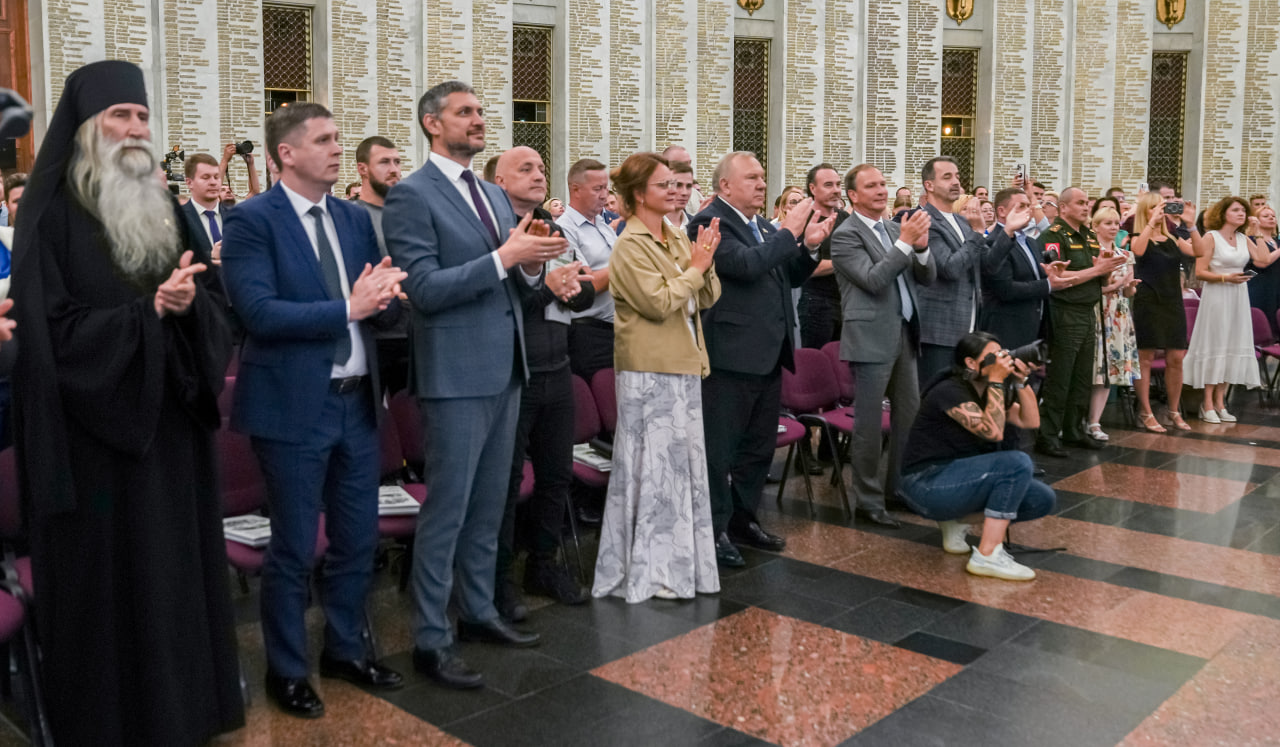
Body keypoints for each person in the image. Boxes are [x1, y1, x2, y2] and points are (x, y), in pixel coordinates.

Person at [11, 59, 243, 744]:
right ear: (86, 128)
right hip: (97, 449)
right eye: (121, 116)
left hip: (171, 430)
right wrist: (146, 314)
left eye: (142, 116)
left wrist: (187, 305)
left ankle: (187, 712)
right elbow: (48, 337)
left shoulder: (165, 204)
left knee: (175, 581)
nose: (136, 128)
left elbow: (214, 303)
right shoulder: (50, 214)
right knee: (113, 595)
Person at [222, 102, 408, 718]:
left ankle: (346, 650)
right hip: (292, 411)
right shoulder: (251, 220)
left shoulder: (355, 218)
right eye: (324, 140)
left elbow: (372, 302)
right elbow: (258, 313)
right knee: (295, 547)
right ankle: (288, 668)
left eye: (338, 139)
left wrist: (384, 300)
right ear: (286, 154)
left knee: (358, 541)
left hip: (358, 405)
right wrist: (348, 309)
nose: (336, 149)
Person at [384, 80, 568, 689]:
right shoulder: (412, 195)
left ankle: (479, 612)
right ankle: (431, 639)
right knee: (450, 510)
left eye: (481, 111)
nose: (479, 120)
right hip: (456, 372)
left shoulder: (491, 192)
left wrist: (538, 265)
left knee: (491, 506)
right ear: (433, 124)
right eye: (465, 113)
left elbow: (515, 285)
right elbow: (426, 290)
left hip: (507, 365)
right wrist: (505, 259)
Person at [593, 152, 722, 601]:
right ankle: (651, 571)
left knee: (681, 472)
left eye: (676, 183)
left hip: (683, 360)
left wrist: (704, 264)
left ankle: (683, 567)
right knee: (653, 474)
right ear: (637, 194)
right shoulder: (629, 244)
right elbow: (658, 303)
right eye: (664, 184)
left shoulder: (673, 232)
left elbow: (705, 297)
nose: (674, 191)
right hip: (648, 369)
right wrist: (696, 269)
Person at [689, 151, 827, 568]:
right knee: (720, 450)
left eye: (763, 177)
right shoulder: (709, 222)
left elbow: (785, 274)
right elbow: (746, 267)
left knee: (757, 448)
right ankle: (712, 531)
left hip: (768, 353)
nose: (761, 184)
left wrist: (809, 247)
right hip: (731, 355)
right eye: (751, 177)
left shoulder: (761, 225)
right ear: (725, 185)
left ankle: (743, 520)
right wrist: (789, 233)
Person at [491, 146, 593, 619]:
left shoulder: (552, 229)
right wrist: (547, 291)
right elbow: (499, 306)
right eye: (525, 169)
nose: (538, 175)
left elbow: (567, 295)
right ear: (497, 180)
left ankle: (544, 563)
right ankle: (498, 579)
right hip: (514, 370)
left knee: (555, 476)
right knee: (507, 482)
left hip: (558, 364)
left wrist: (573, 287)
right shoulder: (494, 233)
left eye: (541, 168)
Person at [898, 332, 1055, 581]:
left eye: (1002, 354)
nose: (1001, 361)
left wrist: (1021, 381)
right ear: (971, 363)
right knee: (1016, 464)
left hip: (958, 478)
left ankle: (956, 522)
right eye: (992, 357)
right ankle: (987, 555)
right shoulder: (949, 390)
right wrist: (996, 380)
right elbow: (992, 432)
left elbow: (1030, 420)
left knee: (1041, 498)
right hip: (924, 483)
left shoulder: (989, 390)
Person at [829, 164, 936, 528]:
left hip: (904, 333)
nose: (880, 190)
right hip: (871, 336)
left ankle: (899, 489)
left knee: (909, 417)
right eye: (870, 185)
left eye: (882, 183)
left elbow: (927, 276)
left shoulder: (894, 228)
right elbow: (874, 280)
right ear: (853, 195)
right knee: (870, 424)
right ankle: (868, 500)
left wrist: (921, 249)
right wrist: (906, 242)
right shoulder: (845, 235)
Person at [1034, 187, 1126, 456]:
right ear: (1063, 208)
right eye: (1081, 203)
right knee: (1061, 376)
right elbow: (1058, 280)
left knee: (1082, 376)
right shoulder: (1053, 236)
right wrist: (1097, 269)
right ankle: (1048, 435)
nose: (1087, 207)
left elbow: (1098, 276)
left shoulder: (1088, 234)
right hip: (1066, 310)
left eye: (1088, 203)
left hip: (1089, 309)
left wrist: (1106, 270)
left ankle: (1073, 429)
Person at [1186, 196, 1280, 421]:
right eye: (1236, 210)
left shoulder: (1243, 237)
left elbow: (1263, 259)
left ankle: (1221, 402)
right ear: (1223, 213)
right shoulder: (1211, 237)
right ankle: (1206, 402)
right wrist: (1224, 277)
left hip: (1238, 295)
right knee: (1216, 344)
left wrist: (1257, 233)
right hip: (1217, 294)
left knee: (1232, 344)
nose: (1241, 214)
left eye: (1243, 211)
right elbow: (1200, 271)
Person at [917, 156, 987, 384]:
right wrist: (977, 235)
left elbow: (982, 264)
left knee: (960, 397)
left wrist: (1008, 233)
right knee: (935, 395)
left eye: (957, 176)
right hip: (939, 329)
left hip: (968, 324)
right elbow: (949, 268)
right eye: (947, 177)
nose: (956, 181)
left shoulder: (962, 221)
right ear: (929, 185)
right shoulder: (926, 220)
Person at [1130, 192, 1197, 431]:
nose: (1159, 211)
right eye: (1153, 207)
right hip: (1148, 301)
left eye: (1162, 207)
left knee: (1176, 358)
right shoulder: (1138, 235)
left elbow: (1197, 251)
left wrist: (1191, 224)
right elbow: (1137, 251)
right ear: (1145, 211)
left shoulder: (1172, 238)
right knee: (1146, 359)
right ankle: (1145, 411)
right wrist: (1150, 223)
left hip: (1172, 301)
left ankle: (1173, 410)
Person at [559, 158, 619, 381]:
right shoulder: (565, 229)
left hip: (617, 329)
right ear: (576, 189)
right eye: (598, 188)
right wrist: (628, 265)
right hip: (589, 333)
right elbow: (587, 284)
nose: (605, 195)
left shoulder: (602, 225)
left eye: (606, 188)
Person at [1085, 206, 1139, 441]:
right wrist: (1115, 287)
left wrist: (1130, 287)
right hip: (1095, 310)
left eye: (1116, 223)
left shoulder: (1125, 255)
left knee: (1108, 370)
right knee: (1090, 368)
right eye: (1107, 223)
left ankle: (1095, 422)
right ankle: (1076, 416)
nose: (1114, 227)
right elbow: (1089, 287)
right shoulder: (1089, 252)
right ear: (1095, 226)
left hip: (1117, 315)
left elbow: (1127, 292)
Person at [798, 163, 850, 349]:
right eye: (828, 185)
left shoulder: (845, 219)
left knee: (843, 369)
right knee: (817, 366)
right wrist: (845, 263)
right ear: (813, 188)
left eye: (838, 184)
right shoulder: (803, 220)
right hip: (817, 305)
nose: (836, 190)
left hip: (846, 304)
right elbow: (806, 268)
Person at [1247, 204, 1280, 337]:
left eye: (1273, 216)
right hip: (1259, 286)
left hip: (1276, 285)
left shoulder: (1277, 242)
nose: (1271, 218)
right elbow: (1261, 262)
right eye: (1266, 216)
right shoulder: (1250, 240)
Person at [665, 160, 695, 231]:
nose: (684, 192)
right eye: (678, 185)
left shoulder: (696, 225)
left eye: (689, 186)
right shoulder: (649, 225)